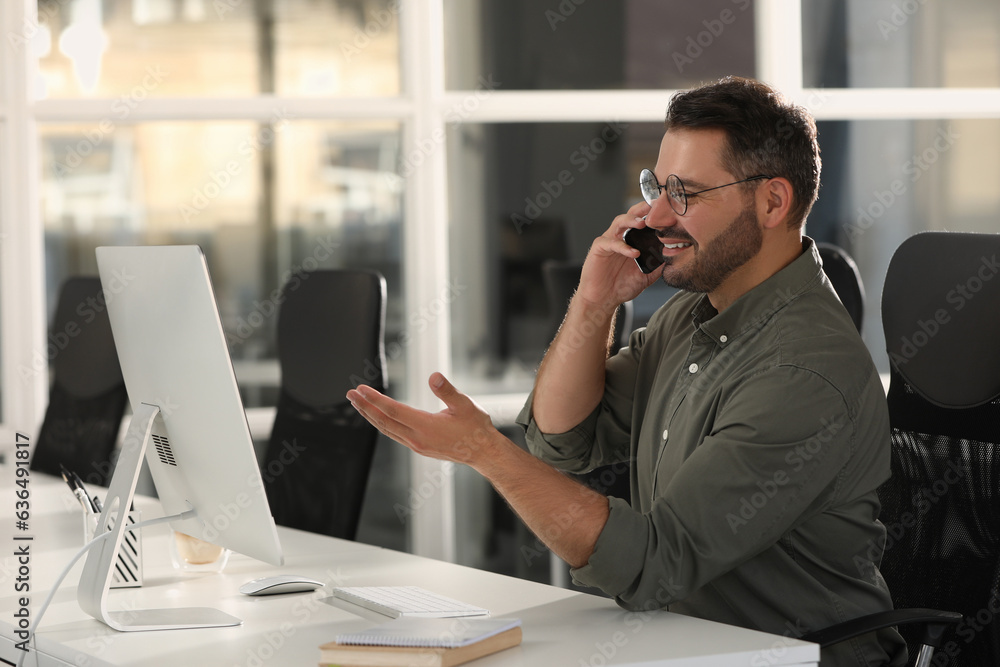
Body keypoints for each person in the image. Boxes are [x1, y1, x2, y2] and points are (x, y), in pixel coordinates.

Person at [347, 76, 906, 667]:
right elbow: (563, 441)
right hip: (679, 646)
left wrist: (485, 450)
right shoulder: (692, 313)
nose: (657, 215)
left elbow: (652, 564)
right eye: (657, 186)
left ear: (772, 202)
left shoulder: (803, 372)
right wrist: (594, 303)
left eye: (685, 193)